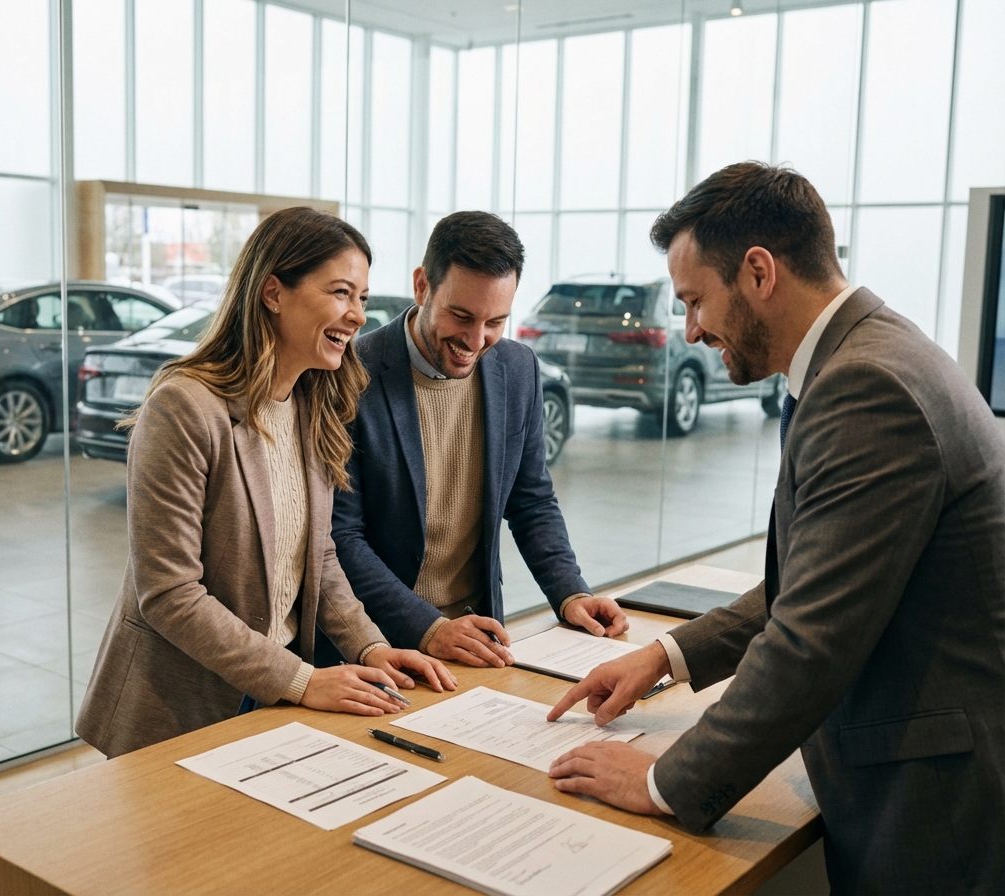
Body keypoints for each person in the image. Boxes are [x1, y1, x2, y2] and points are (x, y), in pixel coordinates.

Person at [546, 163, 1005, 894]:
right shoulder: (876, 353)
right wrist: (666, 655)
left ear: (759, 272)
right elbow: (822, 575)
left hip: (935, 807)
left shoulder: (866, 387)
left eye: (696, 300)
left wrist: (666, 781)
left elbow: (810, 640)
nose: (692, 329)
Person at [76, 207, 456, 759]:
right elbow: (169, 594)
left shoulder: (311, 402)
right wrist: (303, 680)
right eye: (341, 293)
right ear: (273, 292)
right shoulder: (184, 407)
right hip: (177, 709)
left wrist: (371, 646)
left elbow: (319, 555)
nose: (357, 317)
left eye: (364, 299)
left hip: (272, 697)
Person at [328, 211, 628, 670]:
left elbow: (531, 501)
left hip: (479, 637)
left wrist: (570, 592)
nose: (475, 339)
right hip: (380, 644)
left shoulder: (518, 369)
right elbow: (341, 537)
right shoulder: (350, 373)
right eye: (461, 316)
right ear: (422, 286)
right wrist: (428, 627)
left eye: (495, 321)